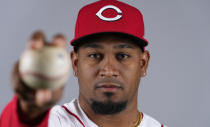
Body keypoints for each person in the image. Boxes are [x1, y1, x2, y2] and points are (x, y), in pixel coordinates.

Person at [0, 0, 167, 127]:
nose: (108, 70)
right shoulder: (52, 122)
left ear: (143, 64)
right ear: (75, 63)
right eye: (95, 55)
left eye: (122, 55)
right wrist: (27, 109)